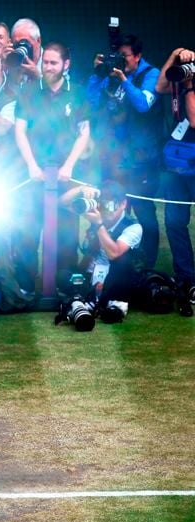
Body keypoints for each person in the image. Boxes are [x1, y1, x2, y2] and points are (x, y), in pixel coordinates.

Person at [13, 42, 91, 295]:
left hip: (65, 176)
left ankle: (65, 287)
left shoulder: (77, 93)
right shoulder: (29, 91)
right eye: (45, 62)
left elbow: (84, 133)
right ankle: (26, 287)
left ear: (66, 64)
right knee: (27, 233)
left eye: (53, 63)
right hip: (34, 176)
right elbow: (19, 131)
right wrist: (31, 165)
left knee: (67, 235)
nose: (47, 67)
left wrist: (69, 165)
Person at [87, 34, 162, 268]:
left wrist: (124, 80)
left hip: (142, 159)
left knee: (144, 212)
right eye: (117, 56)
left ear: (138, 56)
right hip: (115, 157)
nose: (120, 60)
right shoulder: (112, 74)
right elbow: (90, 102)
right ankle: (103, 262)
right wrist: (98, 74)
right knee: (108, 207)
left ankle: (147, 267)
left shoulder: (151, 74)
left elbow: (143, 105)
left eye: (125, 56)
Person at [58, 180, 144, 323]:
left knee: (123, 261)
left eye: (112, 205)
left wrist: (99, 225)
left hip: (116, 281)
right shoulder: (96, 212)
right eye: (104, 204)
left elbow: (114, 253)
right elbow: (61, 203)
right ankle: (90, 299)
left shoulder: (133, 227)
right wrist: (81, 189)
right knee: (62, 275)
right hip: (92, 276)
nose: (107, 210)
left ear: (123, 204)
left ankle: (110, 304)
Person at [155, 47, 195, 316]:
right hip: (176, 163)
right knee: (174, 221)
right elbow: (160, 86)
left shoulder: (188, 86)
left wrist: (190, 86)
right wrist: (174, 55)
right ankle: (186, 278)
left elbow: (194, 119)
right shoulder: (179, 80)